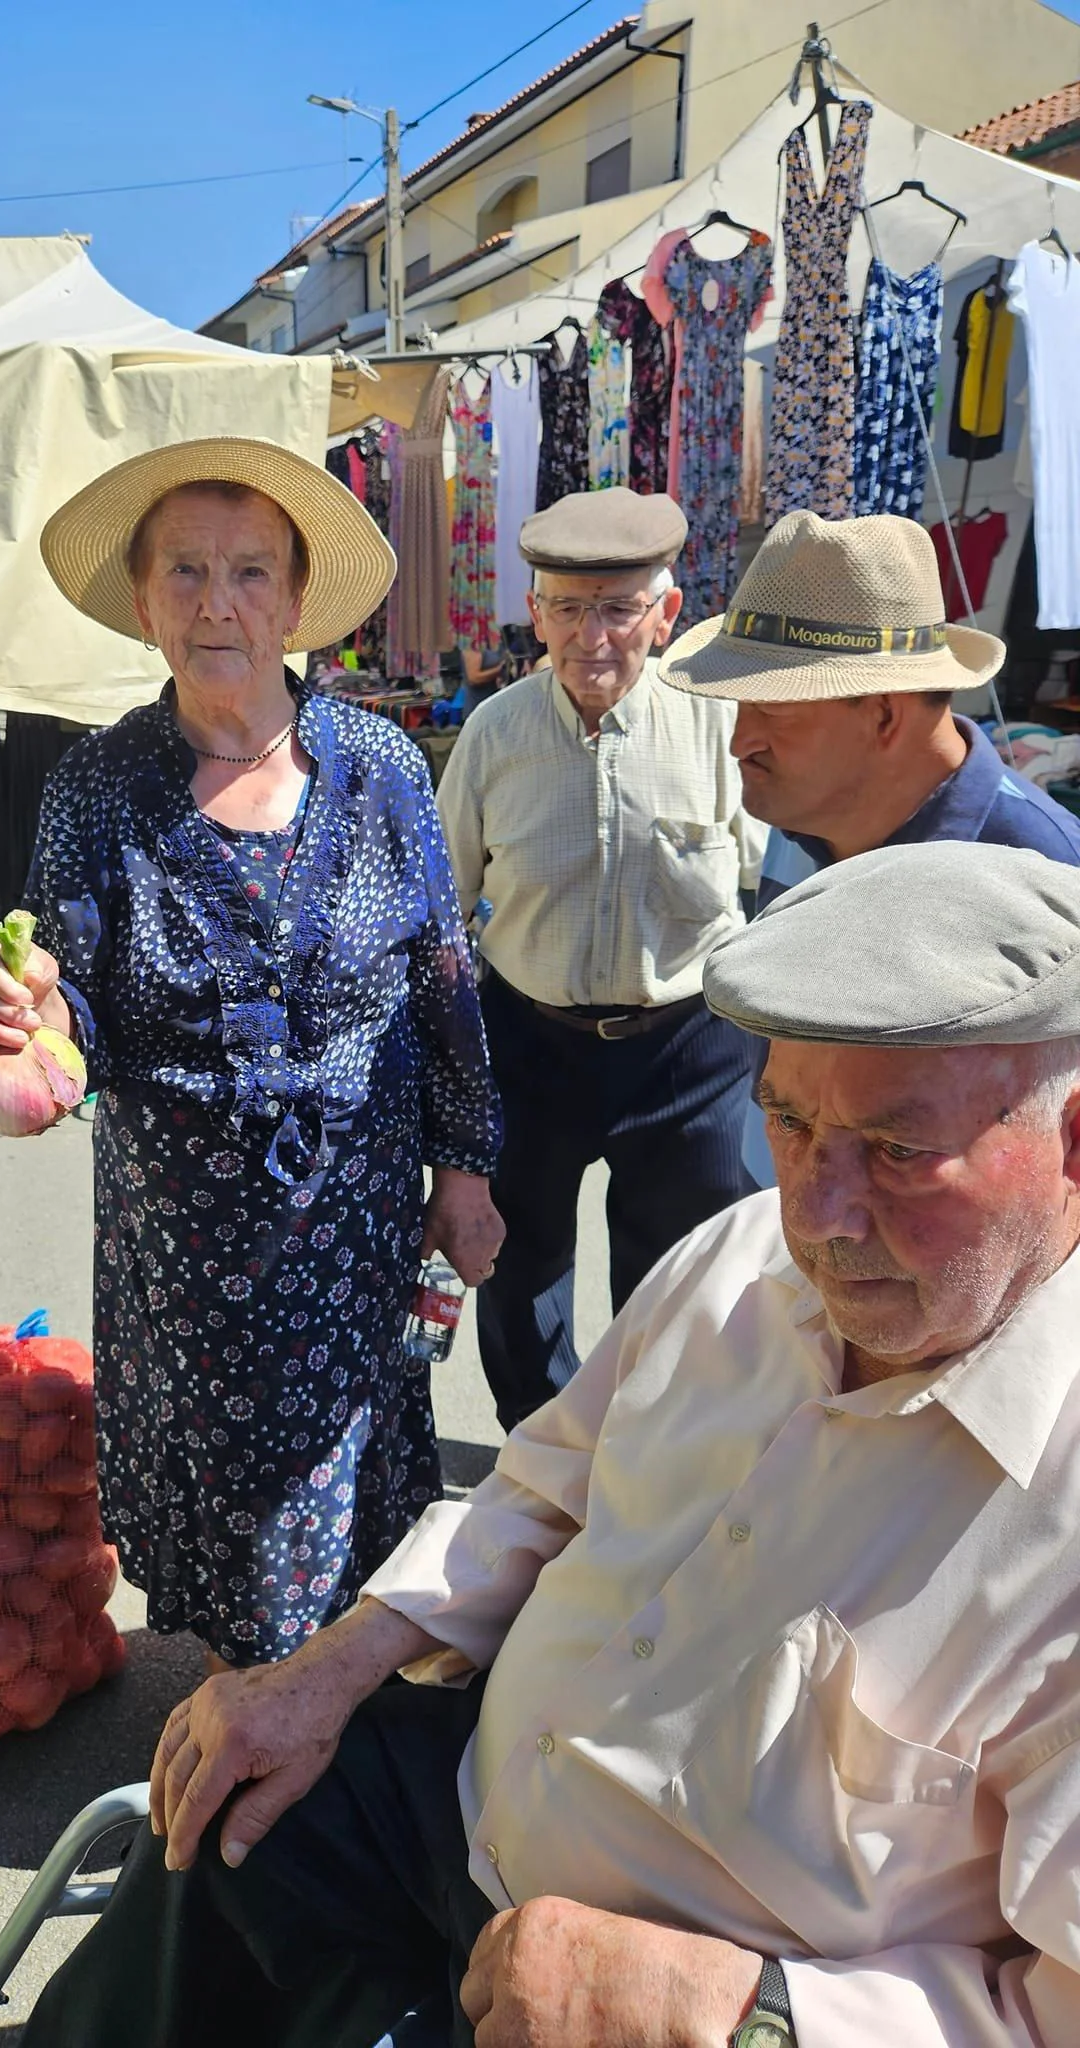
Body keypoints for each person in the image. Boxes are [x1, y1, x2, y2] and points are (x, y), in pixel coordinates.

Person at [24, 839, 1080, 2048]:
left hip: (667, 2017)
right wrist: (337, 1662)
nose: (818, 1214)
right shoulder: (737, 1255)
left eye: (898, 1151)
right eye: (787, 1122)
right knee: (223, 1818)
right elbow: (538, 1486)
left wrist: (745, 2011)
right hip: (459, 1808)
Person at [0, 437, 503, 1669]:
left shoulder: (384, 768)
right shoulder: (96, 786)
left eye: (252, 571)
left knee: (362, 1485)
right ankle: (254, 1737)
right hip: (191, 1250)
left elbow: (444, 983)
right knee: (241, 1532)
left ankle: (337, 1725)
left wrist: (465, 1172)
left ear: (298, 603)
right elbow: (69, 1009)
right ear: (143, 601)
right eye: (186, 570)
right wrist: (17, 1013)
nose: (219, 601)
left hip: (359, 1231)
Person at [437, 486, 766, 1429]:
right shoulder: (494, 736)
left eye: (618, 609)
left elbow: (772, 897)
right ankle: (543, 1455)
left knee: (681, 1273)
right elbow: (441, 915)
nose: (592, 638)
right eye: (568, 609)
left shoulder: (720, 726)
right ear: (535, 613)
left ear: (664, 616)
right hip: (529, 1040)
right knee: (517, 1262)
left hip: (689, 1047)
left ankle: (650, 1459)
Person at [662, 507, 1080, 1181]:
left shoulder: (1046, 875)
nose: (741, 741)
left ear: (885, 712)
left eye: (773, 707)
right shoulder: (804, 817)